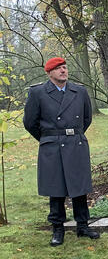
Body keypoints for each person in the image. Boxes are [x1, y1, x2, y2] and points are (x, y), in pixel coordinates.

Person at [23, 57, 99, 246]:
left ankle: (83, 226)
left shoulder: (79, 91)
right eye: (58, 69)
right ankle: (58, 228)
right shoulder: (38, 93)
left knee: (79, 188)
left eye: (64, 67)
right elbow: (30, 122)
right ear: (49, 73)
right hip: (51, 145)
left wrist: (73, 136)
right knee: (55, 188)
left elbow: (86, 118)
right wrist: (48, 138)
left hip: (76, 143)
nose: (63, 71)